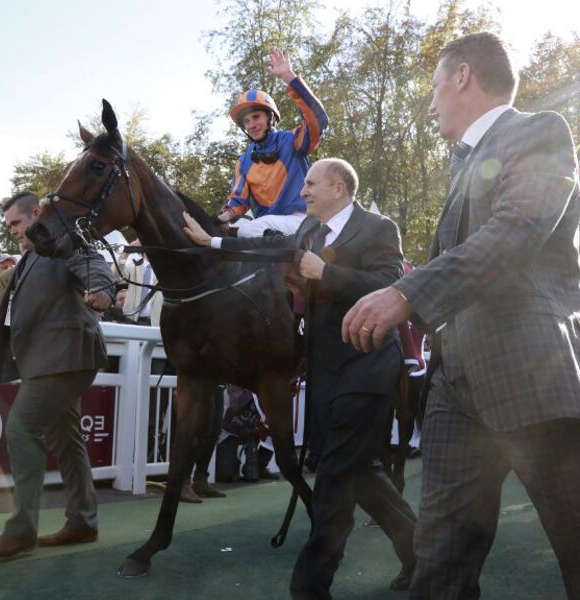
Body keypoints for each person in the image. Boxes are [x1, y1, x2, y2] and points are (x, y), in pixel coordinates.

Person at [342, 32, 580, 599]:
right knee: (439, 561)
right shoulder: (462, 163)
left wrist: (406, 293)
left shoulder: (539, 131)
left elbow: (514, 234)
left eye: (433, 87)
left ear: (463, 77)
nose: (430, 104)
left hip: (528, 373)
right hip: (455, 386)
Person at [184, 158, 417, 597]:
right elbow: (271, 250)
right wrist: (213, 240)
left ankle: (310, 585)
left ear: (340, 187)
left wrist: (327, 272)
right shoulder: (309, 231)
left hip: (368, 365)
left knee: (333, 472)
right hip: (324, 369)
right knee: (360, 469)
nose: (303, 191)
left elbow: (390, 284)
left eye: (311, 184)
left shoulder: (379, 227)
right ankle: (421, 555)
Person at [0, 191, 114, 558]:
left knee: (21, 428)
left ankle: (21, 531)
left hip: (65, 358)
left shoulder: (64, 240)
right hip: (52, 360)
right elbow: (16, 315)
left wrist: (104, 290)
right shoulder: (28, 259)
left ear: (35, 215)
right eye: (9, 226)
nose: (13, 231)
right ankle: (82, 522)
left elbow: (94, 265)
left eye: (16, 223)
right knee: (66, 440)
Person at [220, 48, 328, 238]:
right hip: (267, 229)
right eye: (246, 121)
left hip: (302, 220)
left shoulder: (293, 140)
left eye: (256, 117)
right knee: (235, 233)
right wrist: (223, 217)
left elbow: (318, 120)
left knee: (248, 229)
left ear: (271, 118)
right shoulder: (243, 161)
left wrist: (288, 76)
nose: (251, 125)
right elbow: (239, 200)